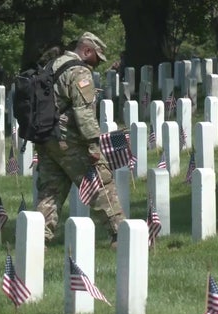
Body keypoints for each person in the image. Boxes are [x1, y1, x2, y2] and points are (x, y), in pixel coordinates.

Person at [35, 32, 125, 248]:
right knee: (100, 181)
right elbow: (84, 112)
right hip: (69, 139)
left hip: (46, 137)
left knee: (51, 191)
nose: (98, 63)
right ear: (86, 50)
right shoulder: (79, 71)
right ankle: (120, 234)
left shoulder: (54, 64)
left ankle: (37, 239)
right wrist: (93, 145)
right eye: (96, 57)